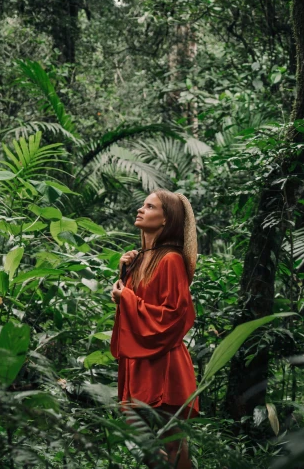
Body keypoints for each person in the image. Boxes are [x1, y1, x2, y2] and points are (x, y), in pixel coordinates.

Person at [110, 189, 199, 469]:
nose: (141, 209)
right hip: (139, 360)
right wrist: (123, 275)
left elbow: (175, 315)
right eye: (143, 204)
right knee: (149, 449)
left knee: (172, 446)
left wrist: (125, 297)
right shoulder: (140, 258)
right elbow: (135, 308)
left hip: (164, 363)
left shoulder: (171, 259)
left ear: (165, 219)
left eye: (150, 206)